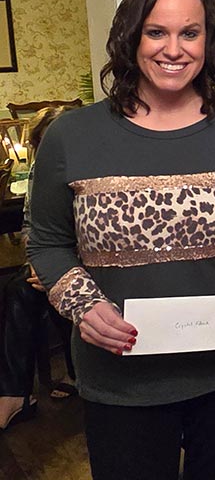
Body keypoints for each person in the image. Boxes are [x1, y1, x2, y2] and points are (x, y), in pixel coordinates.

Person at [26, 0, 215, 480]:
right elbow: (49, 242)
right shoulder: (72, 136)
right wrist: (84, 305)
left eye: (190, 32)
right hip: (121, 379)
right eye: (156, 32)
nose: (174, 49)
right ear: (131, 36)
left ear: (209, 40)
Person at [0, 106, 78, 431]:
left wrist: (58, 270)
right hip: (52, 257)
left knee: (61, 290)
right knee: (20, 288)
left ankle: (77, 373)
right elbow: (32, 223)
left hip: (86, 261)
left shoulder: (95, 167)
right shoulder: (38, 171)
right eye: (44, 144)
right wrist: (40, 263)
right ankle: (14, 395)